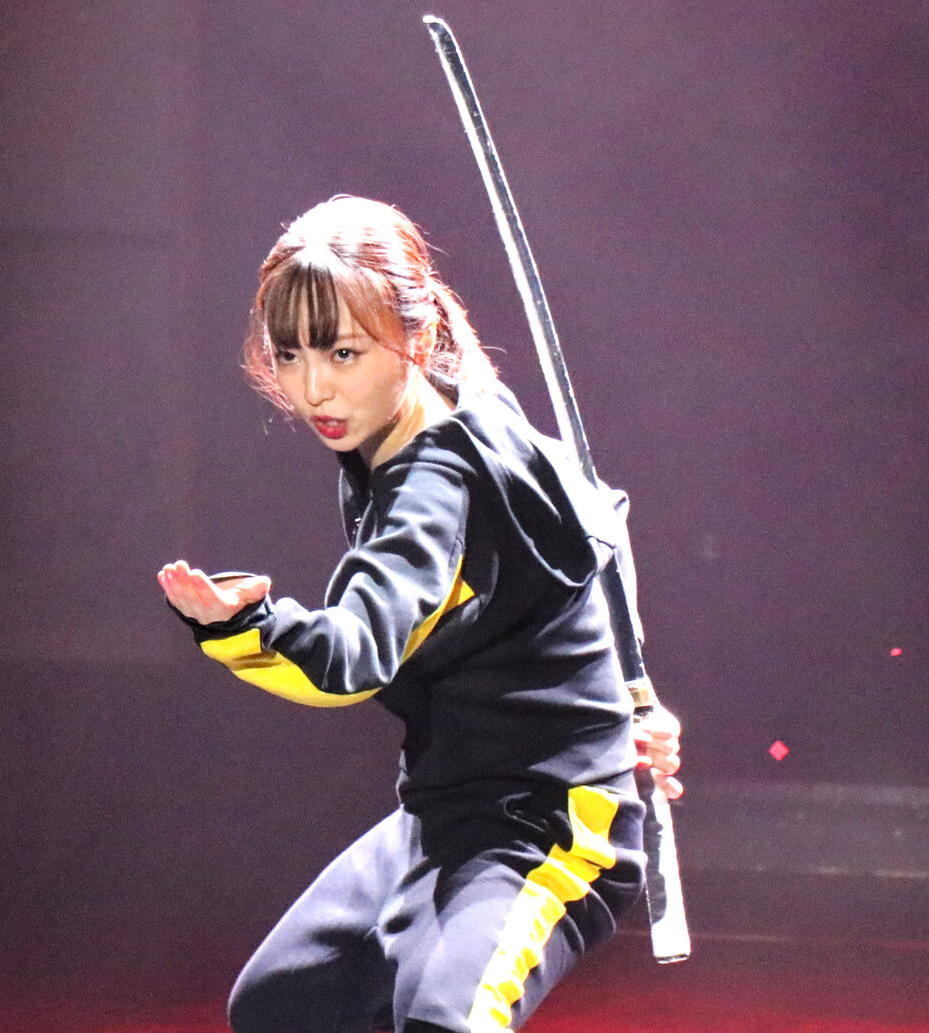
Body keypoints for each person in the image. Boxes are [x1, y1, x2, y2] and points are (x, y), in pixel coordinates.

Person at [157, 196, 682, 1033]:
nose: (313, 387)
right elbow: (599, 526)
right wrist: (633, 693)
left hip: (548, 826)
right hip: (441, 813)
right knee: (284, 1007)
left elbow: (352, 657)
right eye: (289, 354)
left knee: (448, 1021)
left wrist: (242, 630)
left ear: (417, 331)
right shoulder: (459, 397)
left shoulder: (434, 482)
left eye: (343, 352)